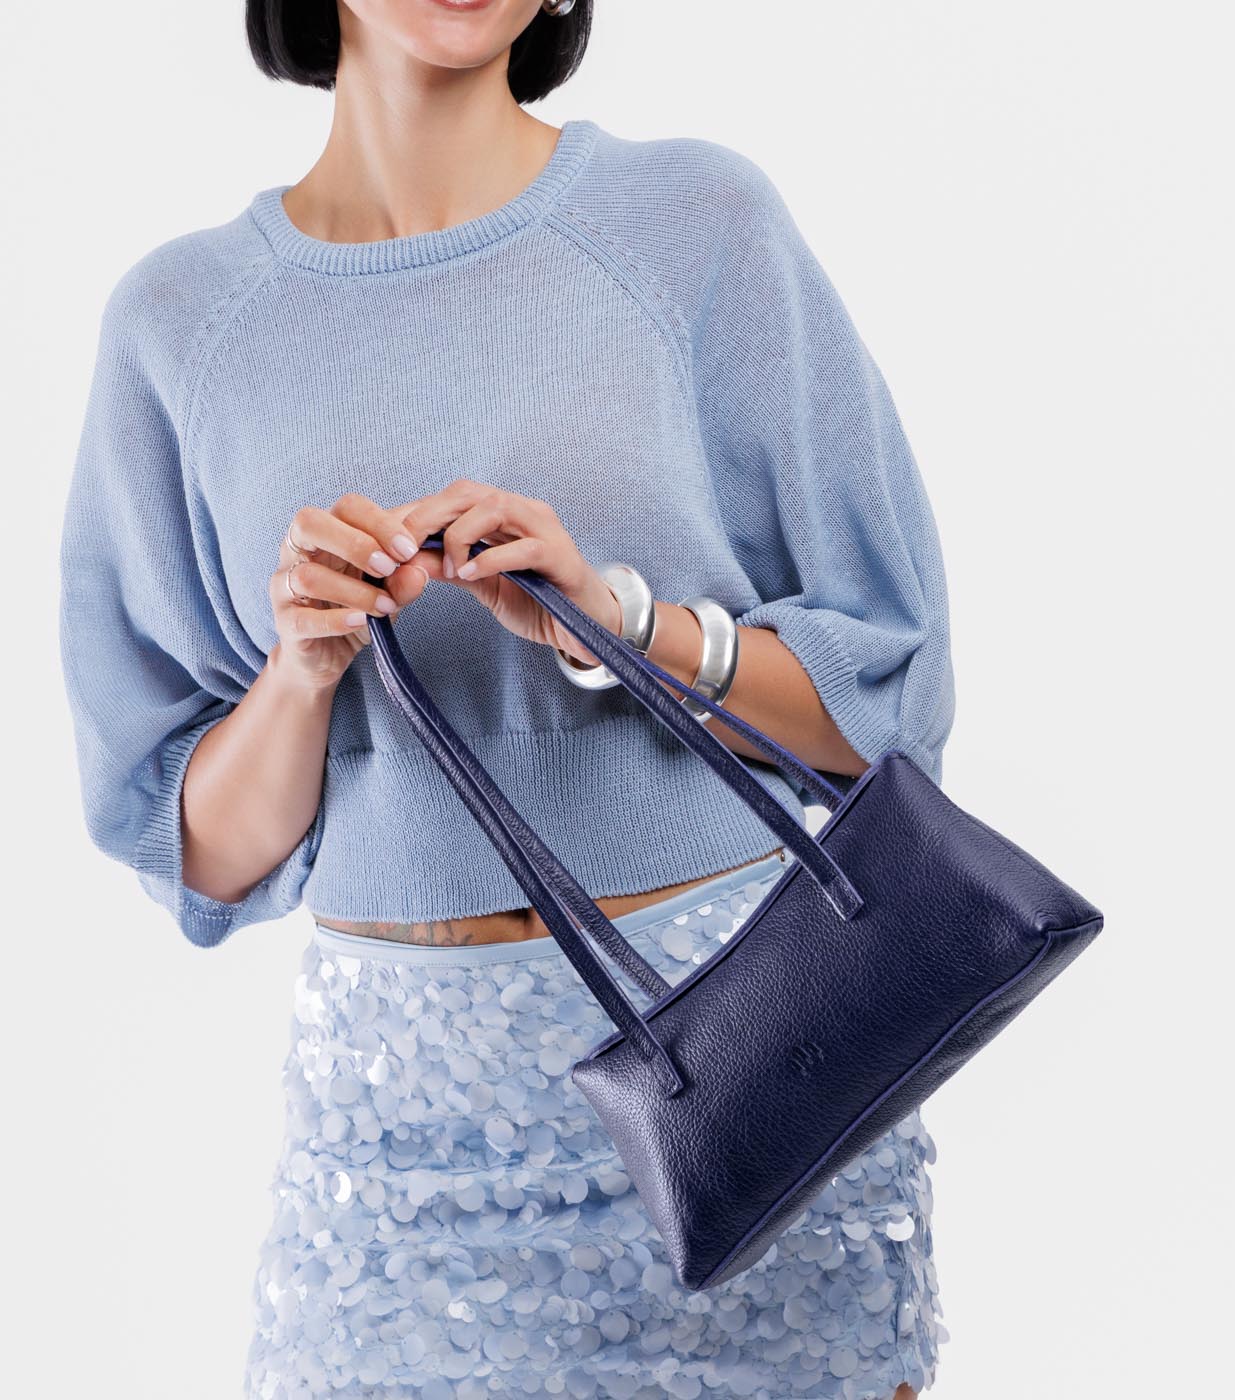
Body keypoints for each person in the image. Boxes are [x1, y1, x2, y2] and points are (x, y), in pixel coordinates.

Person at [58, 2, 955, 1395]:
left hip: (751, 1065)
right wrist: (300, 674)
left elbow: (885, 706)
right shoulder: (181, 325)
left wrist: (619, 624)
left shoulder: (698, 223)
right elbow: (204, 860)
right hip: (403, 1138)